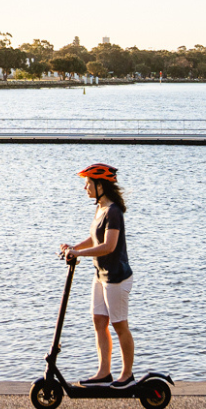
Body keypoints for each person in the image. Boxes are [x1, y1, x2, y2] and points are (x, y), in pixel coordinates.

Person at [59, 163, 135, 387]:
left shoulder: (113, 212)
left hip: (116, 278)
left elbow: (108, 246)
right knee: (99, 321)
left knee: (120, 325)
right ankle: (104, 372)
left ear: (100, 185)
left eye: (88, 183)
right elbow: (94, 239)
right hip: (100, 275)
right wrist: (73, 248)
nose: (85, 188)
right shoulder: (100, 208)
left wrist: (78, 253)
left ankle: (127, 375)